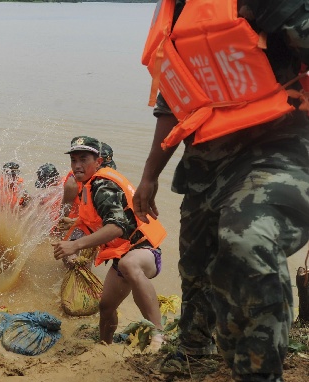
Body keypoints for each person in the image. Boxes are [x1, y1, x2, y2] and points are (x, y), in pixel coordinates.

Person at [134, 1, 309, 381]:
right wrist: (149, 175)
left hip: (278, 150)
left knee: (247, 240)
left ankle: (261, 374)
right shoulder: (177, 10)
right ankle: (194, 351)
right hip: (205, 163)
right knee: (197, 264)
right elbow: (173, 100)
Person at [53, 136, 167, 350]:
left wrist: (75, 245)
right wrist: (74, 222)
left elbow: (117, 227)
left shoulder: (101, 184)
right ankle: (105, 347)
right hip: (121, 255)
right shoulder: (88, 185)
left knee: (129, 265)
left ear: (98, 162)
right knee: (106, 307)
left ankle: (158, 334)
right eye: (74, 160)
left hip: (144, 249)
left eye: (83, 159)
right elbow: (98, 220)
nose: (77, 165)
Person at [59, 139, 117, 232]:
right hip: (77, 223)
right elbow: (64, 212)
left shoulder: (104, 186)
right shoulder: (73, 183)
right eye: (74, 160)